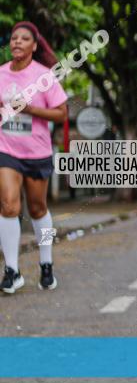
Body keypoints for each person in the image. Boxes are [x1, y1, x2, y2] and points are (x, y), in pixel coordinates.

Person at [0, 22, 69, 293]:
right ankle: (12, 271)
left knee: (38, 208)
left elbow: (61, 114)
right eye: (14, 38)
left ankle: (46, 264)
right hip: (6, 149)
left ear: (34, 46)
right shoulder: (1, 73)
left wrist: (28, 108)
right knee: (8, 205)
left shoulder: (44, 77)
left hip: (37, 152)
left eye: (24, 39)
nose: (17, 42)